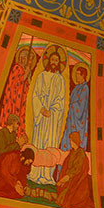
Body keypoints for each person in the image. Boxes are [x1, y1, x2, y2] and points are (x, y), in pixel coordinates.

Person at [27, 47, 69, 189]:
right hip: (41, 117)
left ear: (59, 63)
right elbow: (35, 95)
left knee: (50, 145)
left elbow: (61, 100)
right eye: (52, 59)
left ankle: (46, 175)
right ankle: (35, 172)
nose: (54, 62)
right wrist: (41, 109)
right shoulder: (41, 76)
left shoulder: (60, 80)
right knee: (39, 143)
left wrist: (52, 111)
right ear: (48, 61)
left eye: (56, 60)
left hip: (52, 119)